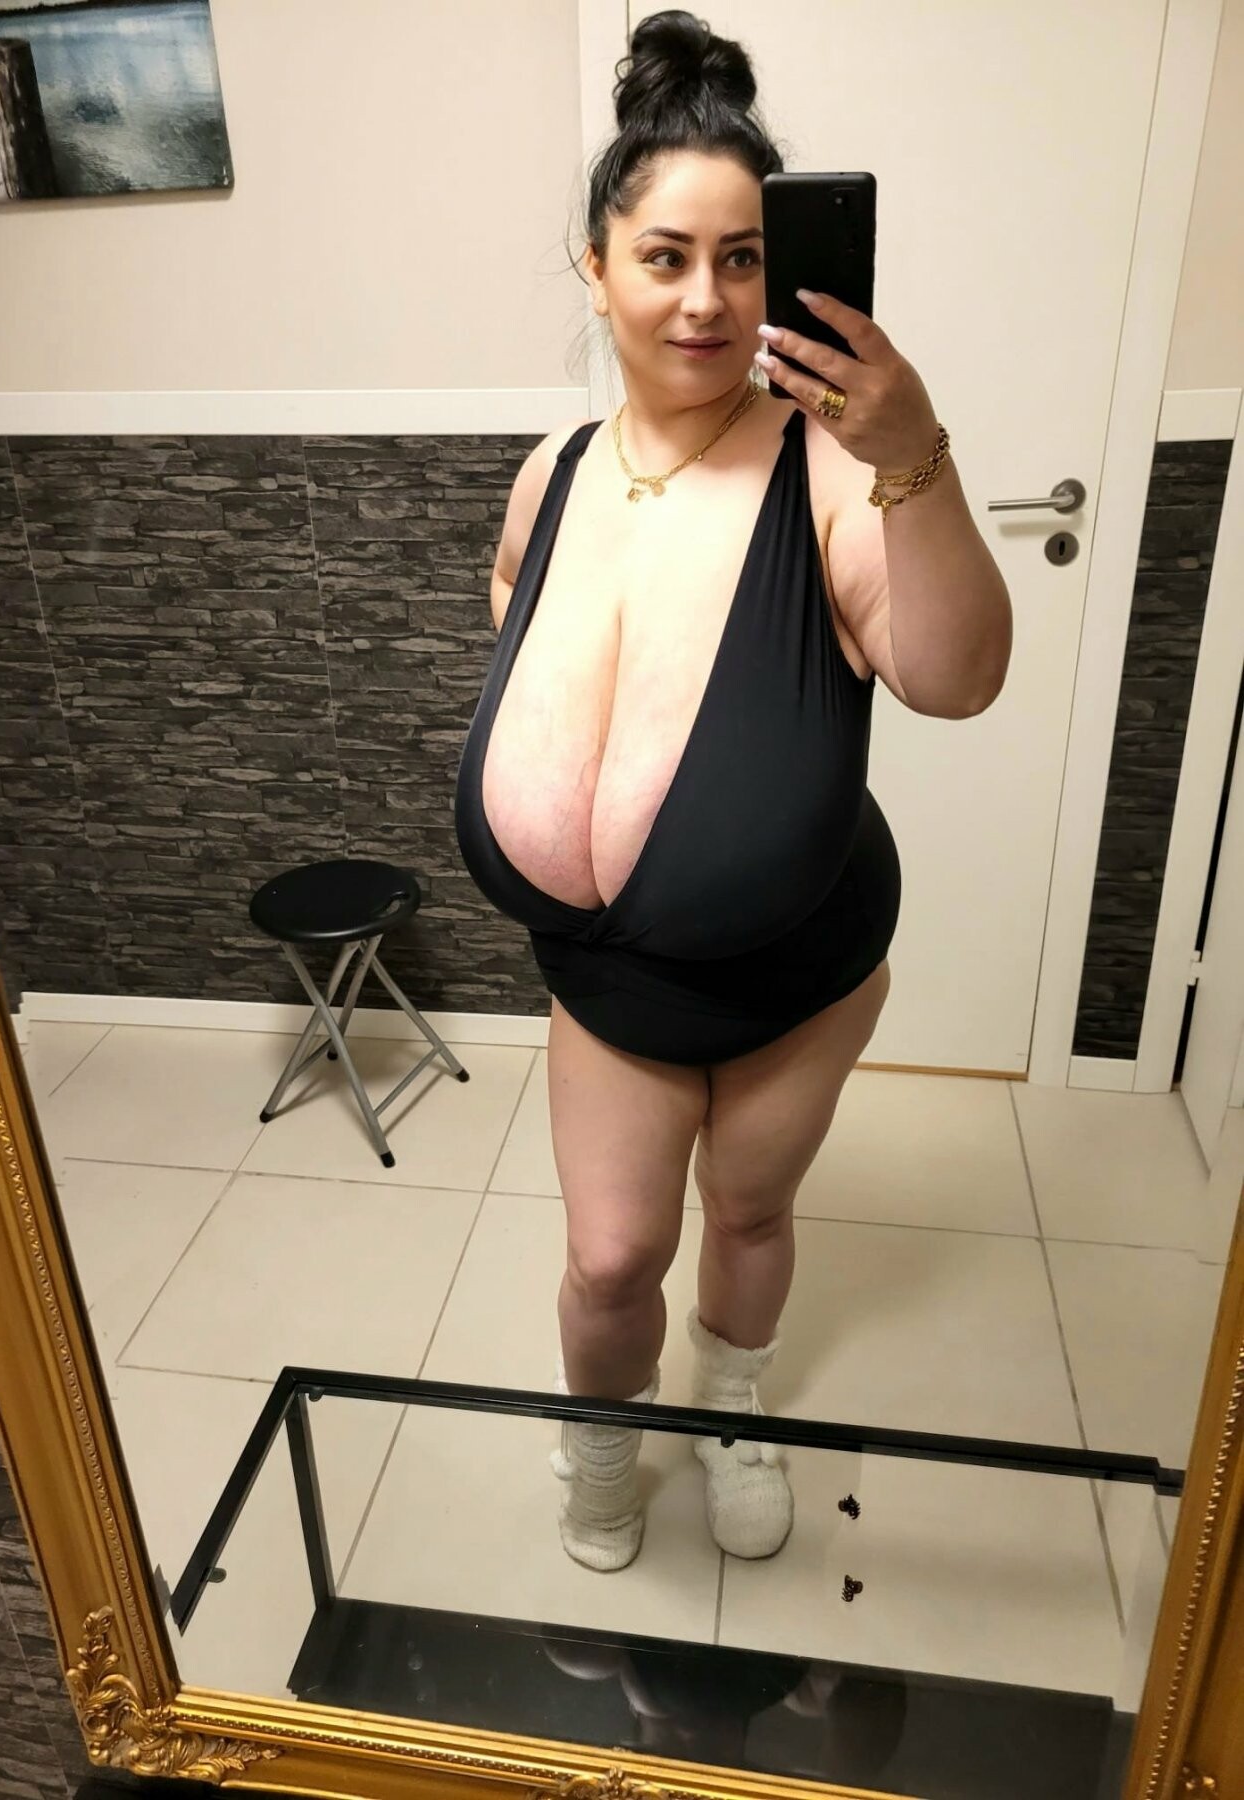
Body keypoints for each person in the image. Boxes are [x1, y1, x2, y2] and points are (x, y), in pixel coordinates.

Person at [454, 8, 1011, 1572]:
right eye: (665, 256)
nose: (705, 298)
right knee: (609, 1255)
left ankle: (738, 1410)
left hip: (793, 971)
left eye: (744, 259)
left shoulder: (830, 467)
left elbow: (955, 677)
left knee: (749, 1217)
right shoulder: (554, 469)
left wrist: (914, 453)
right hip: (611, 976)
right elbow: (523, 628)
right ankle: (600, 1452)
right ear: (596, 268)